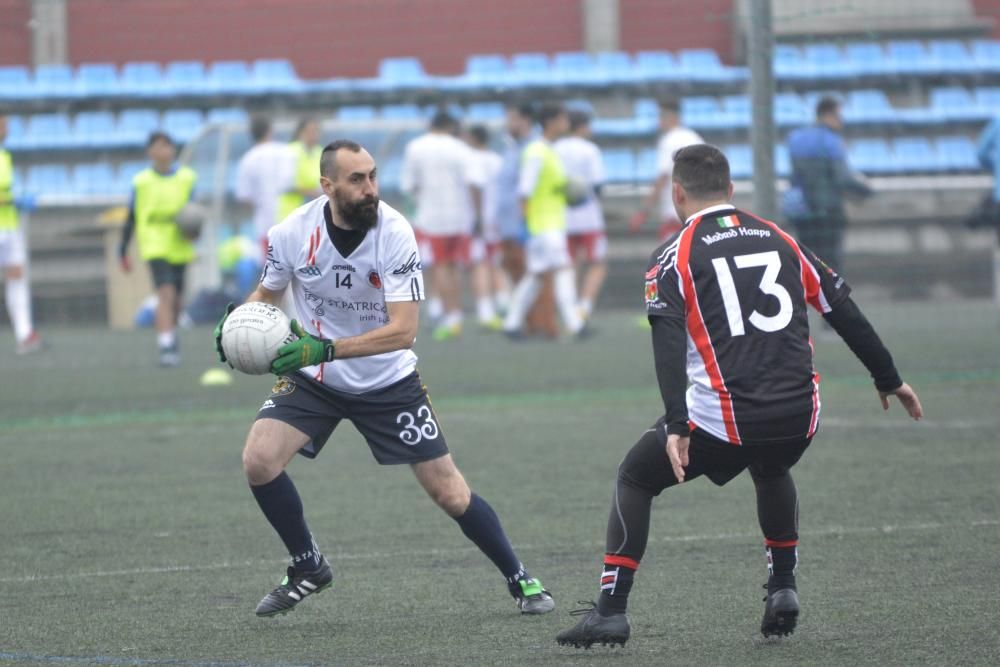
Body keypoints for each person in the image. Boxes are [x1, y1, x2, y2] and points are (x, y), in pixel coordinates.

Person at [556, 144, 923, 649]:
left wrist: (677, 424)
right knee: (772, 466)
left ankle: (611, 611)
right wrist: (889, 378)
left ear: (676, 193)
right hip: (801, 413)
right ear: (731, 190)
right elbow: (842, 310)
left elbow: (665, 347)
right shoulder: (781, 238)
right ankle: (783, 588)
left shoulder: (673, 254)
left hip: (723, 418)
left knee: (635, 477)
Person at [213, 140, 554, 618]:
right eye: (357, 180)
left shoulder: (395, 232)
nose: (370, 188)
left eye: (372, 176)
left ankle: (521, 578)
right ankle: (308, 565)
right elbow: (267, 294)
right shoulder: (291, 233)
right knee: (259, 460)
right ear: (327, 186)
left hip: (388, 381)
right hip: (317, 377)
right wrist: (237, 327)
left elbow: (403, 331)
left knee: (449, 492)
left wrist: (325, 347)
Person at [502, 104, 585, 339]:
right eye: (563, 119)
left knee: (536, 277)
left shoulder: (547, 150)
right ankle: (575, 323)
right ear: (552, 122)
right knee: (562, 269)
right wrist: (525, 226)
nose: (566, 123)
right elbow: (524, 191)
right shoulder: (538, 152)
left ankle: (511, 323)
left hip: (547, 224)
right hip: (543, 226)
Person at [119, 131, 197, 367]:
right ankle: (166, 346)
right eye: (160, 146)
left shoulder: (187, 177)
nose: (165, 151)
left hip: (180, 244)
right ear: (150, 151)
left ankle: (170, 337)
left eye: (168, 146)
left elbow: (193, 213)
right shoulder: (141, 181)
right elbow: (132, 216)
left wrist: (193, 231)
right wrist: (122, 249)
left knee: (178, 301)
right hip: (154, 243)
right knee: (166, 294)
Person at [401, 110, 478, 340]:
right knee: (455, 265)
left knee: (440, 266)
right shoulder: (461, 148)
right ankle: (455, 315)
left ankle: (448, 315)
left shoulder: (416, 147)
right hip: (460, 215)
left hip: (431, 217)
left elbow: (408, 185)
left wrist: (416, 205)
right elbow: (473, 182)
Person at [785, 96, 873, 273]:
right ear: (827, 114)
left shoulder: (796, 138)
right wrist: (866, 192)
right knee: (831, 265)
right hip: (828, 212)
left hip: (803, 212)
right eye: (838, 116)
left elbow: (796, 175)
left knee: (808, 262)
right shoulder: (831, 141)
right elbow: (842, 177)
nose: (842, 121)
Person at [497, 102, 558, 338]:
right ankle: (528, 324)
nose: (507, 124)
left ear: (525, 120)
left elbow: (527, 190)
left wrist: (525, 222)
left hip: (528, 224)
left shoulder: (533, 148)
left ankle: (545, 325)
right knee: (519, 276)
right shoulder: (510, 148)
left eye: (512, 119)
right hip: (508, 226)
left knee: (537, 276)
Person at [554, 109, 608, 323]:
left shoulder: (555, 149)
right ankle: (583, 306)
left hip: (562, 217)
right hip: (588, 217)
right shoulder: (590, 150)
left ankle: (570, 308)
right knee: (597, 263)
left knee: (569, 264)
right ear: (583, 126)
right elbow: (597, 184)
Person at [629, 98, 703, 241]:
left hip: (675, 213)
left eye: (660, 116)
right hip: (697, 211)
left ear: (669, 117)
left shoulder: (669, 141)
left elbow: (662, 177)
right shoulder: (694, 137)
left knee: (674, 258)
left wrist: (645, 211)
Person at [0, 114, 43, 354]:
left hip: (9, 226)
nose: (6, 129)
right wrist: (13, 200)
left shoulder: (5, 157)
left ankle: (24, 334)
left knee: (16, 277)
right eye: (2, 124)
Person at [465, 124, 509, 329]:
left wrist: (478, 216)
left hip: (480, 219)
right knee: (497, 261)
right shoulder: (498, 160)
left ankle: (485, 311)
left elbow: (476, 186)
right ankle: (503, 303)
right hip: (499, 218)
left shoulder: (472, 159)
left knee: (480, 263)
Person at [235, 115, 295, 263]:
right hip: (292, 221)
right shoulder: (287, 152)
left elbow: (245, 197)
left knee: (272, 275)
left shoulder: (247, 159)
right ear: (270, 131)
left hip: (265, 225)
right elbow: (293, 184)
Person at [277, 118, 323, 223]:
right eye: (309, 131)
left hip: (312, 214)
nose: (313, 135)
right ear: (300, 133)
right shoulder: (291, 151)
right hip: (290, 214)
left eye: (316, 131)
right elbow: (286, 184)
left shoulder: (319, 152)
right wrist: (311, 192)